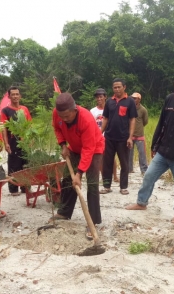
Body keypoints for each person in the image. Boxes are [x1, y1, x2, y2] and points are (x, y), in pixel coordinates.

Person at [125, 69, 174, 224]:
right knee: (148, 176)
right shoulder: (170, 99)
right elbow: (161, 124)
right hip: (163, 152)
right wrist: (155, 145)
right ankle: (141, 203)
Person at [50, 93, 105, 239]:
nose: (64, 119)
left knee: (92, 183)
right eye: (62, 116)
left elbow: (88, 149)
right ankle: (64, 212)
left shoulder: (85, 118)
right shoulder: (57, 114)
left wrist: (80, 173)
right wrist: (63, 145)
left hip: (94, 149)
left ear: (75, 110)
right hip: (73, 148)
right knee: (68, 179)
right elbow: (57, 128)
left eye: (67, 116)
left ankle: (93, 221)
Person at [100, 79, 137, 195]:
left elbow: (132, 120)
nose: (117, 89)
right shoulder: (109, 102)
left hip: (123, 138)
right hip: (109, 137)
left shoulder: (130, 102)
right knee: (107, 162)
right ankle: (106, 186)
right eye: (114, 87)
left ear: (124, 87)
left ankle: (123, 187)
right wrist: (100, 133)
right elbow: (105, 118)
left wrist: (130, 137)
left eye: (119, 87)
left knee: (124, 163)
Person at [0, 86, 32, 196]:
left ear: (20, 96)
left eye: (17, 94)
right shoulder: (6, 111)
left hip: (25, 141)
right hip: (13, 140)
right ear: (9, 96)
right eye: (13, 94)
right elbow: (3, 127)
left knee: (26, 164)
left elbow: (29, 125)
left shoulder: (25, 109)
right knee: (14, 164)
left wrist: (30, 139)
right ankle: (13, 189)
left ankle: (26, 187)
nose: (15, 96)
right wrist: (6, 143)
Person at [91, 88, 119, 183]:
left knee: (111, 157)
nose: (99, 99)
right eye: (97, 97)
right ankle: (105, 178)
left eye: (101, 97)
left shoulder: (111, 108)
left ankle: (115, 176)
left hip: (109, 136)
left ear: (105, 97)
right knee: (100, 159)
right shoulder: (92, 111)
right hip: (98, 137)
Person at [128, 92, 149, 176]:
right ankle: (129, 169)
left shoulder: (143, 110)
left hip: (140, 135)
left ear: (139, 99)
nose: (133, 100)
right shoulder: (129, 108)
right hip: (130, 135)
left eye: (135, 98)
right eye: (132, 98)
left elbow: (145, 121)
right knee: (129, 153)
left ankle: (144, 170)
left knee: (142, 153)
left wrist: (139, 127)